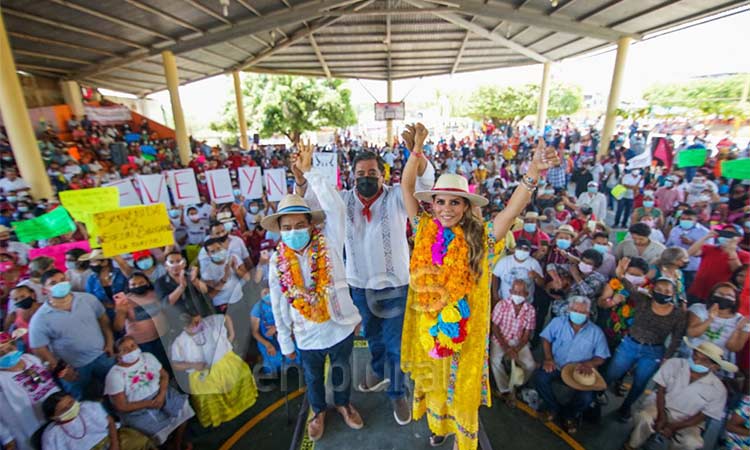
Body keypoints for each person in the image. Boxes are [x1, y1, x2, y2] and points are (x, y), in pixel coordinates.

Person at [401, 125, 560, 450]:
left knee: (462, 385)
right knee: (433, 378)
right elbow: (406, 186)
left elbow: (512, 209)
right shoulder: (423, 229)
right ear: (431, 204)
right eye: (440, 201)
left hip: (466, 333)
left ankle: (462, 435)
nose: (446, 208)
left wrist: (531, 173)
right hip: (428, 324)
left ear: (465, 206)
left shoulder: (482, 238)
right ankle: (439, 425)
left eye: (455, 202)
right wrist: (416, 150)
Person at [295, 143, 434, 425]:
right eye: (360, 173)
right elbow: (309, 205)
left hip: (395, 286)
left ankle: (397, 392)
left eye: (372, 172)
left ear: (383, 175)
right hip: (357, 286)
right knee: (372, 336)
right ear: (351, 176)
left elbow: (424, 182)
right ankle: (377, 368)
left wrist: (417, 153)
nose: (366, 177)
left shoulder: (397, 196)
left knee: (395, 343)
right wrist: (301, 176)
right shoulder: (342, 200)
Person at [266, 149, 364, 442]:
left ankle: (344, 404)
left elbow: (336, 208)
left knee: (341, 371)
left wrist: (310, 173)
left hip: (340, 325)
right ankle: (319, 411)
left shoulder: (329, 240)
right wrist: (285, 340)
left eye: (299, 225)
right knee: (312, 379)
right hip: (306, 332)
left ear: (311, 224)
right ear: (280, 231)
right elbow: (278, 303)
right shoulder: (276, 262)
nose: (294, 231)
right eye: (287, 228)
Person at [624, 339, 734, 450]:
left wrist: (674, 426)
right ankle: (631, 445)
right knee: (644, 417)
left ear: (714, 367)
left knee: (692, 443)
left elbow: (703, 415)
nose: (696, 361)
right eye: (695, 356)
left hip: (689, 420)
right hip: (661, 407)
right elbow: (661, 391)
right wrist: (662, 416)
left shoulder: (718, 390)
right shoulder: (674, 363)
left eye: (703, 360)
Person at [604, 277, 687, 421]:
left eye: (667, 291)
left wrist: (666, 357)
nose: (662, 293)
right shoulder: (643, 301)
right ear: (652, 290)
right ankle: (597, 392)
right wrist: (622, 275)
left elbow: (676, 338)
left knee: (640, 382)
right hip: (630, 344)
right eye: (659, 289)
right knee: (612, 372)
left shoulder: (678, 314)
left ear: (673, 294)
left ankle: (626, 407)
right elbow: (630, 288)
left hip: (653, 351)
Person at [30, 270, 115, 399]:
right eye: (53, 283)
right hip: (74, 368)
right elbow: (39, 348)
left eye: (62, 280)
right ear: (44, 290)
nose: (60, 284)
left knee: (115, 390)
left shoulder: (87, 299)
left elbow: (104, 321)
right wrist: (61, 369)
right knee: (78, 400)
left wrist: (110, 343)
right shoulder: (40, 318)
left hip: (103, 356)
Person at [532, 296, 610, 434]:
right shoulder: (558, 322)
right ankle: (553, 408)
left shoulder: (596, 332)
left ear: (588, 314)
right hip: (557, 365)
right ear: (569, 309)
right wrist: (548, 358)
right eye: (574, 310)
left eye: (581, 312)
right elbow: (545, 338)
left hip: (579, 371)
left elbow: (602, 357)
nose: (577, 314)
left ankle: (569, 415)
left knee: (587, 398)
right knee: (539, 378)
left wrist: (590, 363)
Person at [170, 312, 257, 428]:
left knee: (242, 375)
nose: (198, 325)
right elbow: (176, 364)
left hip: (225, 361)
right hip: (201, 372)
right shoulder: (179, 342)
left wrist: (231, 335)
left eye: (198, 321)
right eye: (192, 325)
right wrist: (193, 365)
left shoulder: (210, 322)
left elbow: (225, 317)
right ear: (184, 327)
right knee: (209, 394)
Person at [104, 336, 193, 447]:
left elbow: (164, 375)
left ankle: (177, 443)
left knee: (183, 409)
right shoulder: (115, 375)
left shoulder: (147, 357)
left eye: (133, 345)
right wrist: (148, 404)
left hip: (162, 393)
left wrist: (161, 395)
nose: (131, 350)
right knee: (154, 430)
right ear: (118, 356)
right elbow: (121, 406)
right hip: (137, 408)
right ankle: (166, 445)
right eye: (125, 350)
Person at [0, 332, 60, 450]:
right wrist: (6, 438)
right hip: (30, 429)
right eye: (1, 353)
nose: (7, 354)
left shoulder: (30, 359)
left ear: (16, 346)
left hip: (55, 416)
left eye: (10, 349)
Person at [41, 392, 155, 450]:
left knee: (138, 441)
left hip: (111, 439)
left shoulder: (87, 407)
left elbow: (110, 422)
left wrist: (115, 444)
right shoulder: (51, 435)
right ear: (53, 417)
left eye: (71, 402)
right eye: (65, 409)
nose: (71, 408)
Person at [489, 279, 536, 404]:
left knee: (530, 365)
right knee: (495, 360)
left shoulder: (530, 310)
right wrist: (506, 348)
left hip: (519, 342)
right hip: (501, 340)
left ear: (526, 294)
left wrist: (516, 349)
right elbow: (495, 327)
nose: (518, 295)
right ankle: (505, 389)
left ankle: (517, 383)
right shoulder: (502, 305)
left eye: (521, 292)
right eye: (515, 291)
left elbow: (527, 334)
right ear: (510, 291)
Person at [685, 282, 749, 370]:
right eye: (720, 294)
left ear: (735, 301)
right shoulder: (699, 308)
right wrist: (710, 319)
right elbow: (692, 333)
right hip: (693, 356)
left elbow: (733, 348)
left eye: (729, 296)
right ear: (712, 295)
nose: (724, 297)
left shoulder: (741, 321)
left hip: (718, 362)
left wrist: (738, 329)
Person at [112, 273, 169, 370]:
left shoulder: (156, 293)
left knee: (168, 362)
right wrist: (121, 312)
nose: (138, 286)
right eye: (133, 285)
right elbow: (118, 327)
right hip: (141, 343)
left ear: (147, 282)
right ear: (128, 287)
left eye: (141, 282)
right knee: (151, 367)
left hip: (162, 337)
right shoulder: (125, 301)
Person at [688, 226, 750, 301]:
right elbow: (690, 253)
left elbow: (738, 272)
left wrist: (731, 251)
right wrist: (706, 237)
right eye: (723, 233)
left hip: (721, 295)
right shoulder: (709, 248)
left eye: (730, 234)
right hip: (697, 291)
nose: (725, 236)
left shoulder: (745, 255)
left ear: (740, 238)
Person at [491, 239, 543, 310]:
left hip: (526, 305)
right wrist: (495, 296)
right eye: (520, 248)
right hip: (504, 302)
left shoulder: (533, 263)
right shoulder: (504, 261)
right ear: (515, 248)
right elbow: (495, 276)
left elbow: (542, 283)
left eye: (526, 249)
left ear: (529, 251)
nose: (522, 251)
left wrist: (536, 276)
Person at [250, 293, 295, 376]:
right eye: (264, 293)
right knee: (271, 366)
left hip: (285, 336)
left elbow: (293, 321)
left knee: (291, 362)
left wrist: (277, 327)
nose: (267, 295)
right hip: (267, 341)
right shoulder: (257, 308)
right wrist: (268, 345)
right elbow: (254, 332)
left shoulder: (285, 303)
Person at [665, 209, 709, 290]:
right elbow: (669, 245)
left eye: (689, 219)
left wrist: (692, 243)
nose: (685, 221)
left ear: (696, 220)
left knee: (690, 290)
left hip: (693, 268)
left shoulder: (705, 232)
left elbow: (708, 251)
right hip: (675, 266)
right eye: (683, 219)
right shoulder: (675, 230)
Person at [82, 250, 128, 323]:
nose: (91, 264)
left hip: (125, 311)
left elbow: (128, 289)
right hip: (104, 315)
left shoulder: (120, 273)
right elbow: (90, 297)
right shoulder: (91, 279)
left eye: (94, 262)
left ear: (105, 262)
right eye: (90, 262)